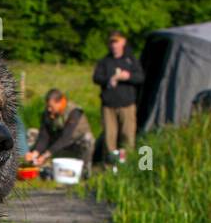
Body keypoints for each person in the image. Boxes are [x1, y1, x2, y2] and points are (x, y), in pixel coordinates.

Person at [93, 30, 144, 162]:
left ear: (123, 42)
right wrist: (109, 79)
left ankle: (127, 164)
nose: (113, 45)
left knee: (127, 137)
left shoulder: (131, 60)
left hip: (127, 105)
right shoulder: (105, 61)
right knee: (109, 138)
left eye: (116, 42)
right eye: (111, 42)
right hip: (108, 106)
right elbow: (96, 77)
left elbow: (140, 78)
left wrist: (128, 76)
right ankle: (109, 165)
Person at [24, 90, 95, 177]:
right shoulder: (48, 113)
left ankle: (84, 170)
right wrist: (36, 152)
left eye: (51, 107)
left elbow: (65, 138)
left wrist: (46, 155)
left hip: (75, 144)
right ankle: (36, 164)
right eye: (48, 106)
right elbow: (44, 136)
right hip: (58, 145)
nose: (49, 109)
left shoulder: (74, 112)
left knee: (88, 138)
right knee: (32, 133)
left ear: (60, 102)